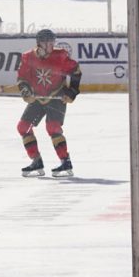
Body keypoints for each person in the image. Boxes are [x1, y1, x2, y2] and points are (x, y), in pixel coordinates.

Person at [17, 29, 82, 178]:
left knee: (53, 127)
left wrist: (72, 92)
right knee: (23, 127)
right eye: (47, 42)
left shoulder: (60, 55)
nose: (51, 45)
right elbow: (22, 79)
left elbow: (76, 71)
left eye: (52, 41)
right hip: (38, 98)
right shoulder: (28, 57)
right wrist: (26, 91)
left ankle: (65, 161)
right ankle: (36, 161)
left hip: (57, 96)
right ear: (39, 43)